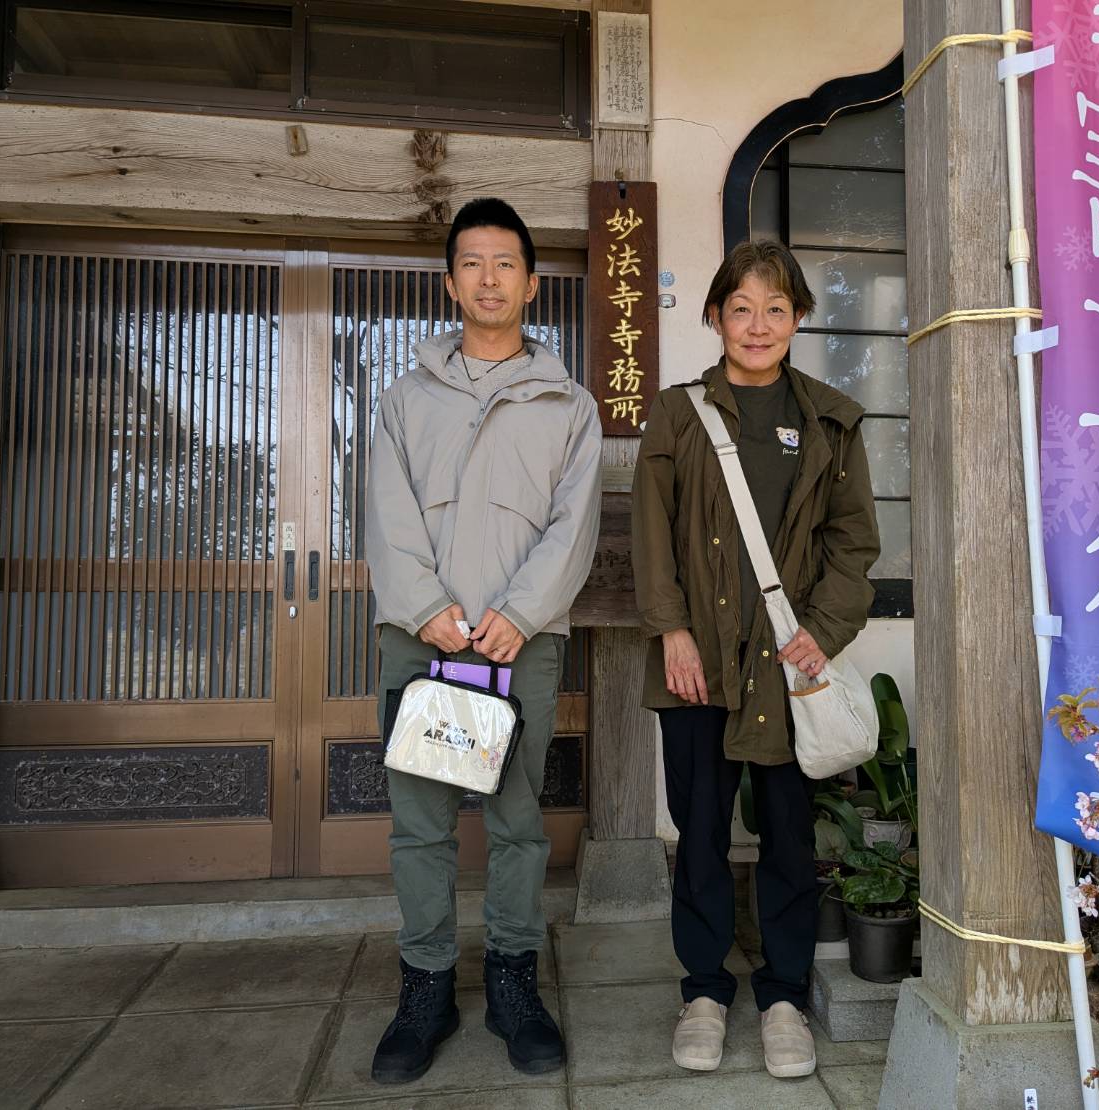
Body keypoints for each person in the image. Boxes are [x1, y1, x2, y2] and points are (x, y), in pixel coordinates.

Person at [365, 197, 602, 1084]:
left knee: (517, 819)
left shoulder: (568, 404)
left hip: (519, 643)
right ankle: (424, 987)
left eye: (506, 263)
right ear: (450, 282)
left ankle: (513, 983)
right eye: (472, 262)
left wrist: (521, 613)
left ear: (532, 284)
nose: (489, 278)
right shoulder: (407, 397)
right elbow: (386, 513)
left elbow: (574, 525)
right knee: (420, 824)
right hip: (419, 637)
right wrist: (427, 607)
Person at [632, 239, 880, 1079]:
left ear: (799, 318)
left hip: (786, 664)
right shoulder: (677, 414)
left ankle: (782, 997)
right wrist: (671, 631)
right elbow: (653, 534)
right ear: (714, 317)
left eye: (776, 308)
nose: (758, 324)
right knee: (699, 832)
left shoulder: (832, 421)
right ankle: (703, 991)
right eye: (741, 308)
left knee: (787, 836)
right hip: (696, 661)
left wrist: (824, 630)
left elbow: (854, 544)